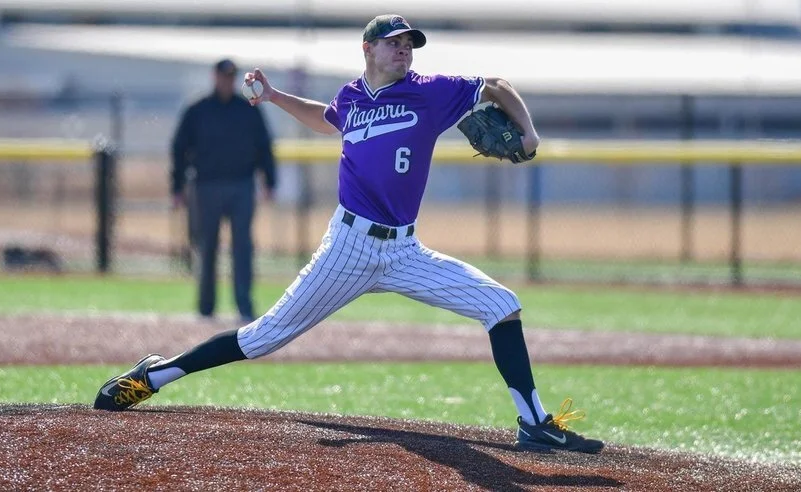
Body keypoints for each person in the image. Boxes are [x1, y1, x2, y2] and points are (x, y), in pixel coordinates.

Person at [96, 15, 604, 454]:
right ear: (369, 49)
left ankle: (534, 424)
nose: (404, 50)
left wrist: (529, 131)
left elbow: (495, 85)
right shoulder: (352, 97)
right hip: (349, 247)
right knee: (263, 337)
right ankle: (153, 376)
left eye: (409, 44)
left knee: (501, 304)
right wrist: (273, 97)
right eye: (393, 42)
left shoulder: (429, 91)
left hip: (405, 250)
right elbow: (327, 118)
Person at [171, 58, 277, 323]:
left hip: (241, 185)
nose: (227, 81)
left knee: (242, 248)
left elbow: (264, 145)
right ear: (214, 76)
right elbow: (179, 148)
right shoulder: (198, 109)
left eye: (231, 77)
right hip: (206, 186)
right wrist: (177, 187)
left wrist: (269, 181)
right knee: (206, 247)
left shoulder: (247, 109)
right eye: (223, 76)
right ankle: (206, 309)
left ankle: (244, 307)